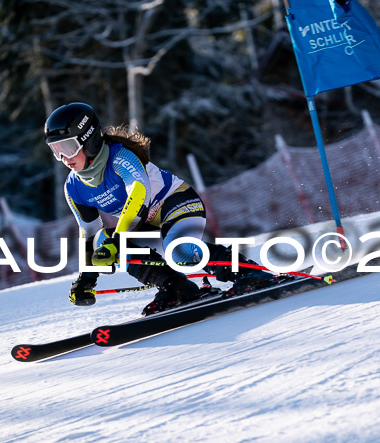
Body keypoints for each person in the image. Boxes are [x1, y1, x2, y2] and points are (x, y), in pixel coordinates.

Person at [44, 102, 275, 315]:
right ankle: (177, 287)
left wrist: (118, 239)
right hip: (144, 224)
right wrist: (87, 277)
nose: (64, 158)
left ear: (90, 139)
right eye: (56, 150)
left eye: (68, 147)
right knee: (105, 242)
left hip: (177, 203)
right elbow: (90, 233)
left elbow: (138, 200)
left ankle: (249, 272)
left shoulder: (121, 158)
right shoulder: (73, 187)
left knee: (179, 251)